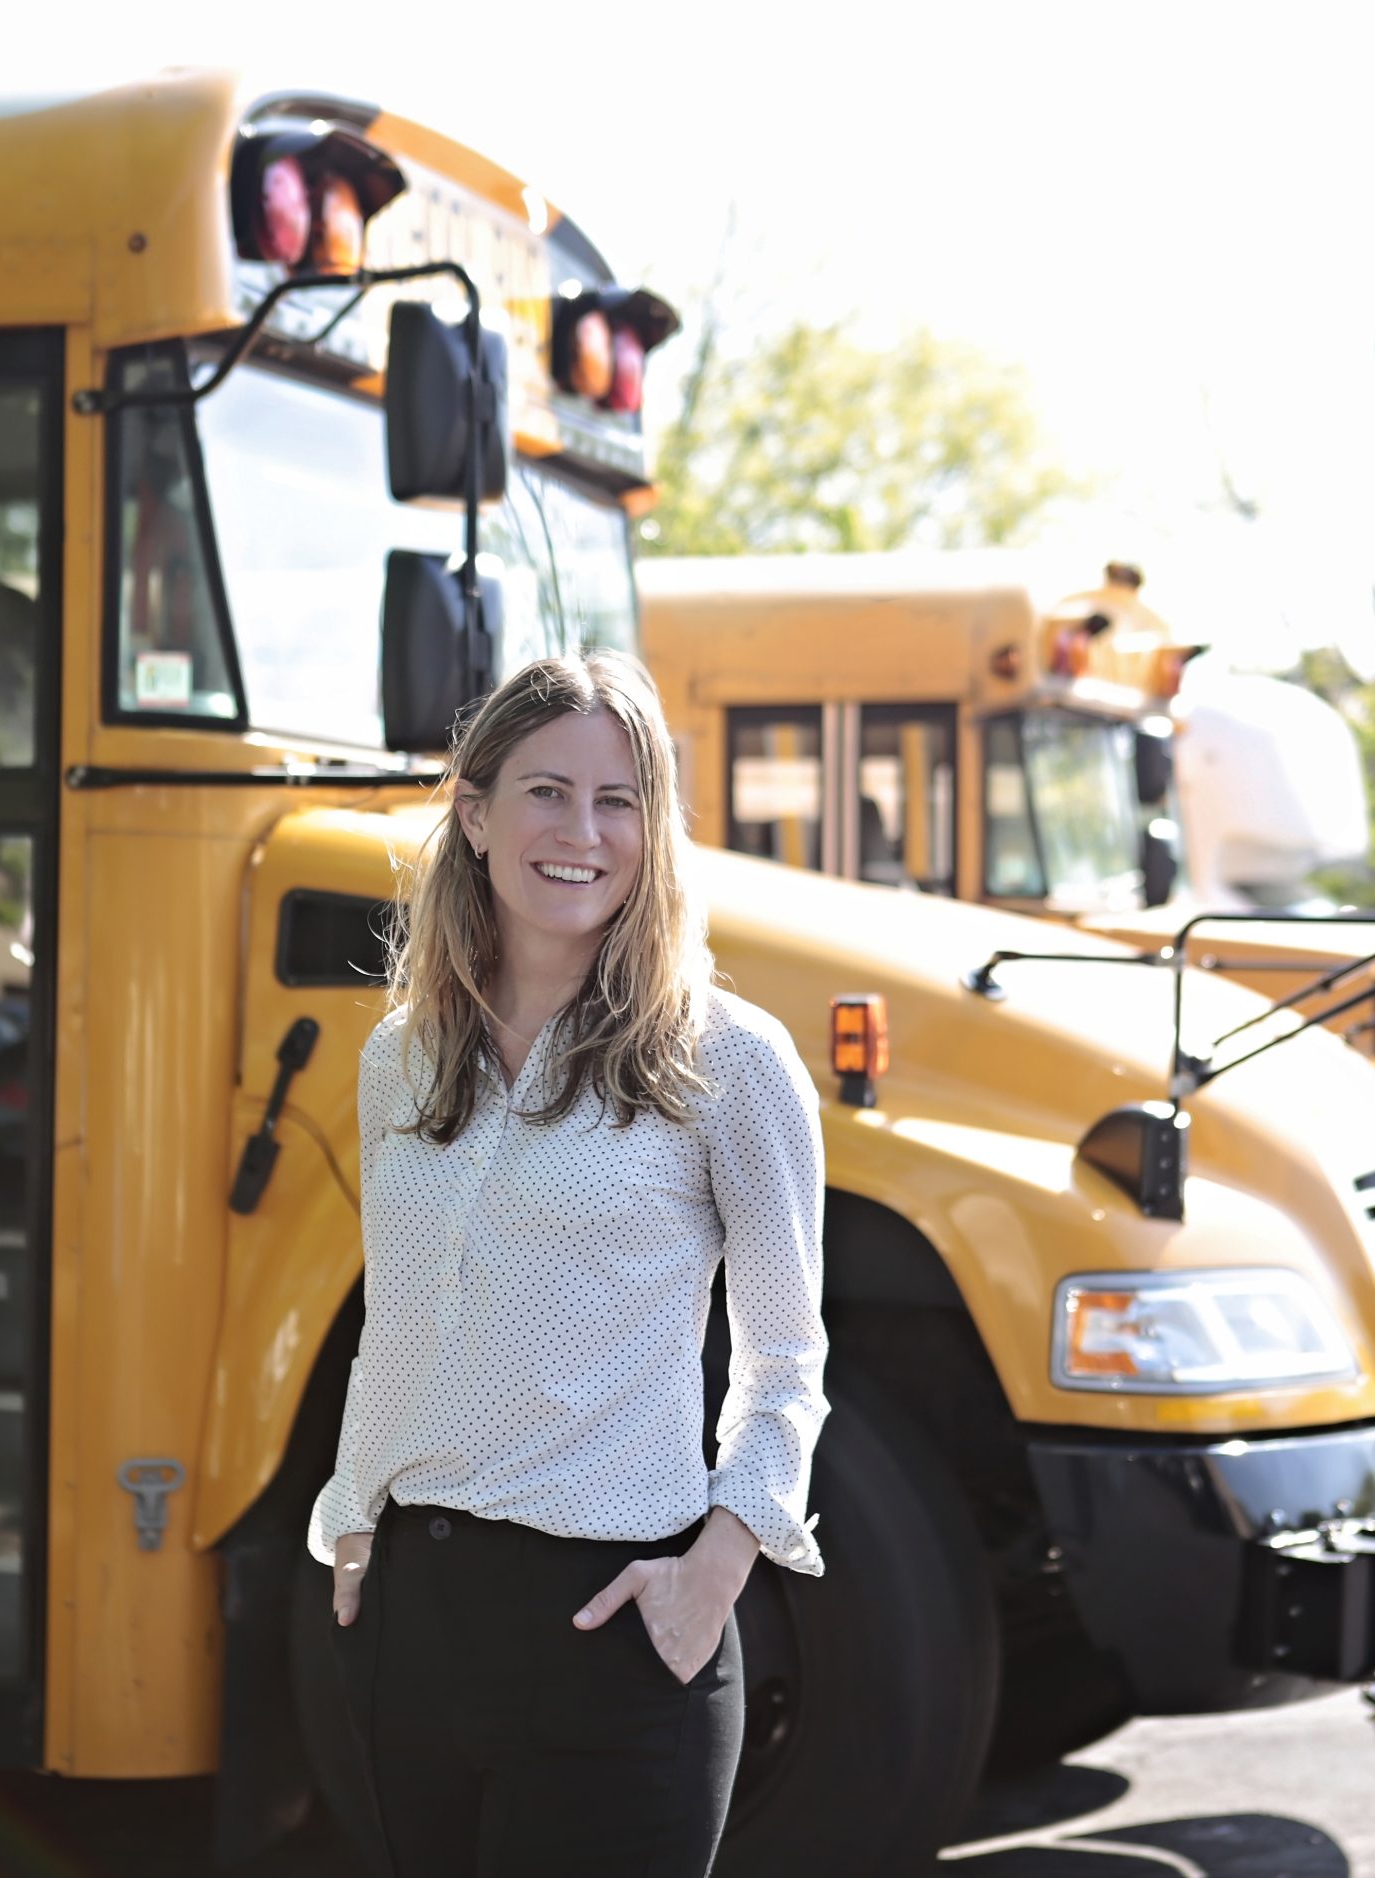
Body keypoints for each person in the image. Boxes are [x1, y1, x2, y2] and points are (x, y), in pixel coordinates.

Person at [308, 652, 829, 1877]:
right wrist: (352, 1523)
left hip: (618, 1627)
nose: (581, 833)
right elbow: (400, 1325)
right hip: (411, 1620)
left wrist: (719, 1565)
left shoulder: (731, 1063)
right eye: (546, 792)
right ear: (475, 814)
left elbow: (786, 1355)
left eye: (619, 800)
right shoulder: (401, 1057)